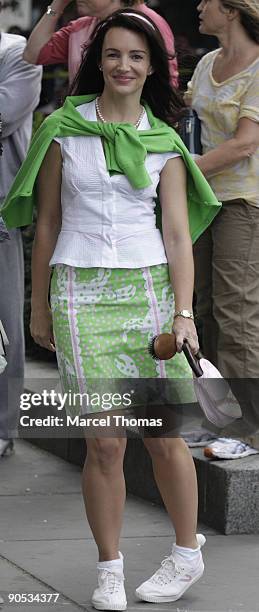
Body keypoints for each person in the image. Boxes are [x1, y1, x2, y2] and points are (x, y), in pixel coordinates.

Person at [1, 10, 221, 608]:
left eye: (137, 57)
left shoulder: (165, 139)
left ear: (152, 68)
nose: (125, 66)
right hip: (78, 291)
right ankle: (109, 567)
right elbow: (46, 223)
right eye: (115, 54)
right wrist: (39, 305)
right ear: (98, 61)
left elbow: (178, 236)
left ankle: (185, 554)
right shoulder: (60, 129)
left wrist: (184, 313)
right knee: (105, 443)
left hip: (149, 294)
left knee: (162, 436)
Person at [185, 0, 259, 459]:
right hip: (205, 201)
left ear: (230, 10)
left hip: (244, 205)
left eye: (207, 1)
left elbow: (246, 142)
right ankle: (222, 420)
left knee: (237, 316)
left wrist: (184, 172)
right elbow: (187, 118)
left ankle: (250, 430)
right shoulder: (209, 61)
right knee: (206, 311)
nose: (198, 6)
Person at [0, 28, 42, 457]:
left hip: (0, 203)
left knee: (2, 318)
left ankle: (1, 426)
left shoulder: (18, 53)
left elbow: (3, 114)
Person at [23, 0, 179, 87]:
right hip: (83, 127)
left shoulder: (149, 22)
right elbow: (32, 55)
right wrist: (57, 5)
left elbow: (168, 85)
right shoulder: (80, 27)